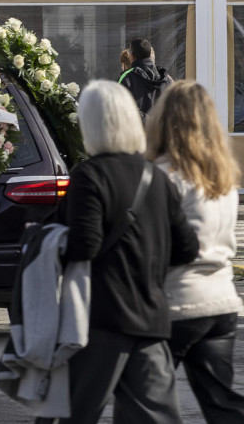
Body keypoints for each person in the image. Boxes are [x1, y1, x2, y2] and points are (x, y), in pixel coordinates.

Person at [48, 80, 199, 424]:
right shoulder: (156, 177)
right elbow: (188, 248)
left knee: (75, 413)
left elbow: (84, 245)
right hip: (151, 320)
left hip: (100, 321)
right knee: (154, 417)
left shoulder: (89, 175)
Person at [145, 80, 244, 423]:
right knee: (221, 403)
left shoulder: (162, 175)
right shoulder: (224, 179)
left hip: (176, 301)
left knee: (144, 401)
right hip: (221, 300)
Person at [118, 38, 171, 117]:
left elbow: (119, 107)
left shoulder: (127, 78)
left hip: (137, 124)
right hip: (161, 124)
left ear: (132, 56)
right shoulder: (165, 78)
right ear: (150, 55)